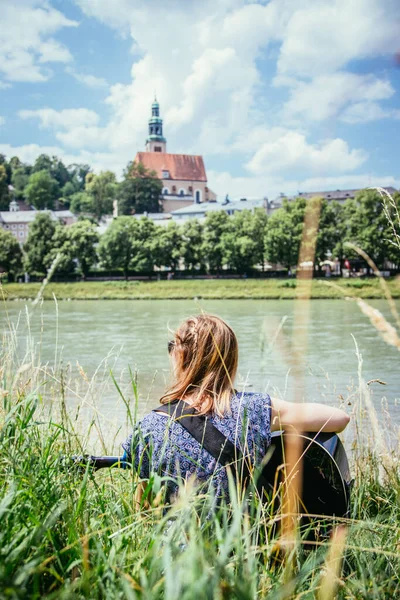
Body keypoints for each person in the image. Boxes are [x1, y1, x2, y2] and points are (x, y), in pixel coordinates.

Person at [122, 314, 350, 506]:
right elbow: (339, 418)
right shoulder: (255, 408)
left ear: (180, 357)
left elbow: (144, 509)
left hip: (176, 554)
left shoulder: (149, 426)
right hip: (246, 551)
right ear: (230, 358)